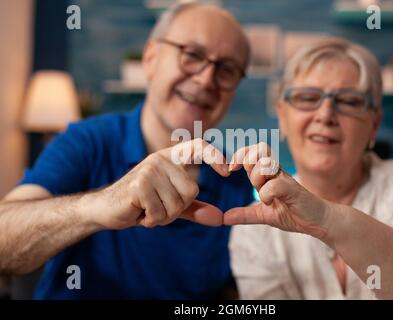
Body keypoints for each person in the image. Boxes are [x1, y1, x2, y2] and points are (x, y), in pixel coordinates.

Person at [0, 3, 254, 299]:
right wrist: (101, 204)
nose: (206, 79)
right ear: (150, 58)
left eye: (226, 70)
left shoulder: (234, 181)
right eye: (192, 55)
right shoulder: (88, 141)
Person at [226, 37, 393, 300]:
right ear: (283, 118)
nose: (325, 114)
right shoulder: (256, 227)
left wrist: (327, 219)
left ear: (373, 125)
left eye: (349, 101)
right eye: (307, 97)